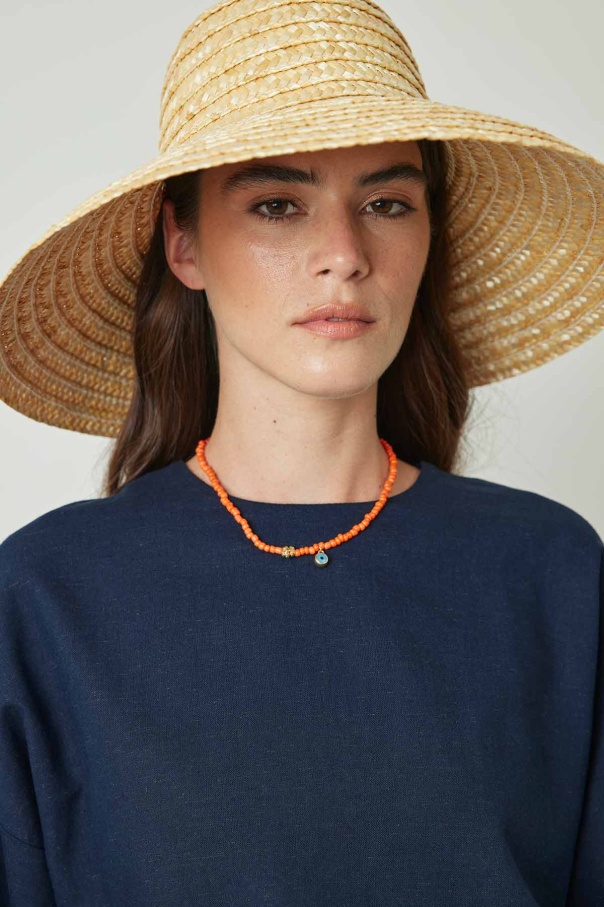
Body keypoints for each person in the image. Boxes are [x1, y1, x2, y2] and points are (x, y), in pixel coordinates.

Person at [0, 0, 602, 903]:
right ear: (184, 244)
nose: (344, 254)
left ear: (428, 236)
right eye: (278, 205)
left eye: (386, 203)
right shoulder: (46, 597)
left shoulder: (553, 573)